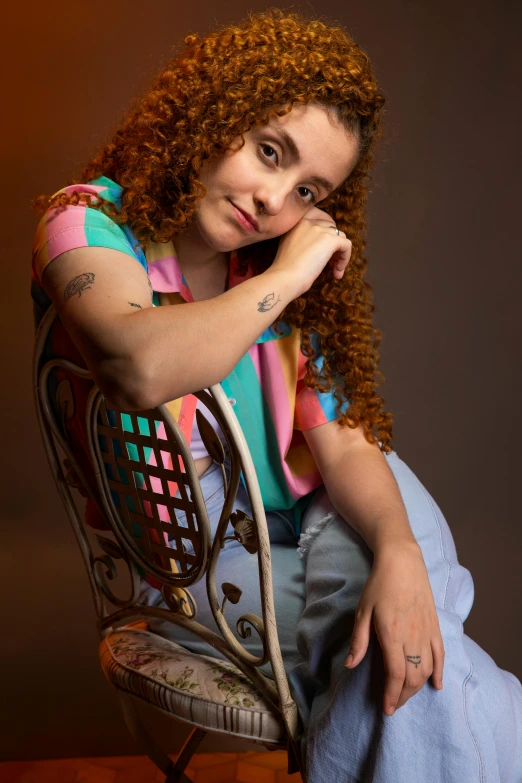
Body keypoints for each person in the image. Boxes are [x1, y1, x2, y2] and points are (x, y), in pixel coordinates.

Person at [31, 8, 522, 781]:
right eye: (269, 152)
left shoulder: (266, 278)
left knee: (398, 601)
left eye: (307, 189)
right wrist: (288, 275)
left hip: (325, 526)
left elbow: (347, 441)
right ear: (216, 108)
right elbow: (136, 364)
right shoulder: (87, 224)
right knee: (427, 671)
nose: (273, 200)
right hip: (210, 574)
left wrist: (397, 549)